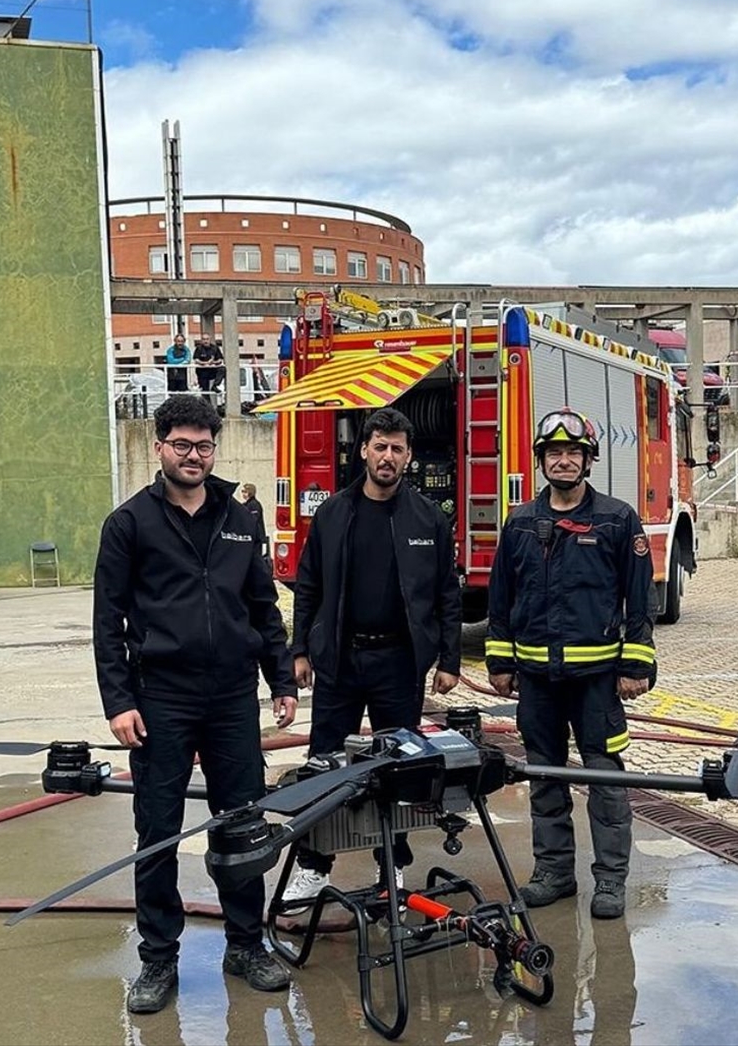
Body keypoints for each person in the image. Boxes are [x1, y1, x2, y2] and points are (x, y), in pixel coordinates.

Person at [92, 394, 297, 1015]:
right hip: (162, 699)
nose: (194, 456)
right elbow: (109, 622)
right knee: (158, 829)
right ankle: (158, 960)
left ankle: (245, 943)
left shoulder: (239, 517)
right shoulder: (129, 523)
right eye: (181, 444)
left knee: (242, 824)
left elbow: (262, 607)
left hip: (232, 695)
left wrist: (281, 680)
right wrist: (119, 701)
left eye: (204, 446)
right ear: (159, 447)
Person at [284, 406, 462, 906]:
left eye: (397, 449)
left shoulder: (427, 518)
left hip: (399, 664)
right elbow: (308, 585)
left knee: (398, 770)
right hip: (340, 661)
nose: (388, 456)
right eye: (379, 446)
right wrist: (300, 649)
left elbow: (447, 594)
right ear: (364, 450)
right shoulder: (334, 513)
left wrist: (448, 660)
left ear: (409, 456)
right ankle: (313, 866)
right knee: (324, 767)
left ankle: (393, 867)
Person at [485, 407, 657, 921]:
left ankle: (609, 881)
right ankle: (554, 873)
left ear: (588, 461)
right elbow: (500, 597)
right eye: (554, 453)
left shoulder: (616, 519)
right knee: (544, 776)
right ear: (541, 461)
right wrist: (501, 659)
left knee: (606, 778)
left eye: (573, 453)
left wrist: (636, 663)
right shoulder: (519, 522)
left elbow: (639, 597)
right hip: (536, 679)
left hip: (597, 682)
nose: (563, 461)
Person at [238, 483, 268, 559]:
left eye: (245, 492)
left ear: (250, 493)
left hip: (256, 539)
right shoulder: (245, 505)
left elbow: (253, 520)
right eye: (243, 491)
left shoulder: (254, 505)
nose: (243, 494)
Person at [192, 333, 224, 400]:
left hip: (212, 370)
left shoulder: (215, 348)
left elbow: (220, 359)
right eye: (204, 339)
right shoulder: (199, 348)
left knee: (222, 369)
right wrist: (205, 363)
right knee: (205, 391)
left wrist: (213, 362)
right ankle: (208, 407)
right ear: (201, 340)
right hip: (202, 371)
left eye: (207, 339)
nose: (205, 341)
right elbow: (196, 360)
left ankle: (215, 385)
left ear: (210, 340)